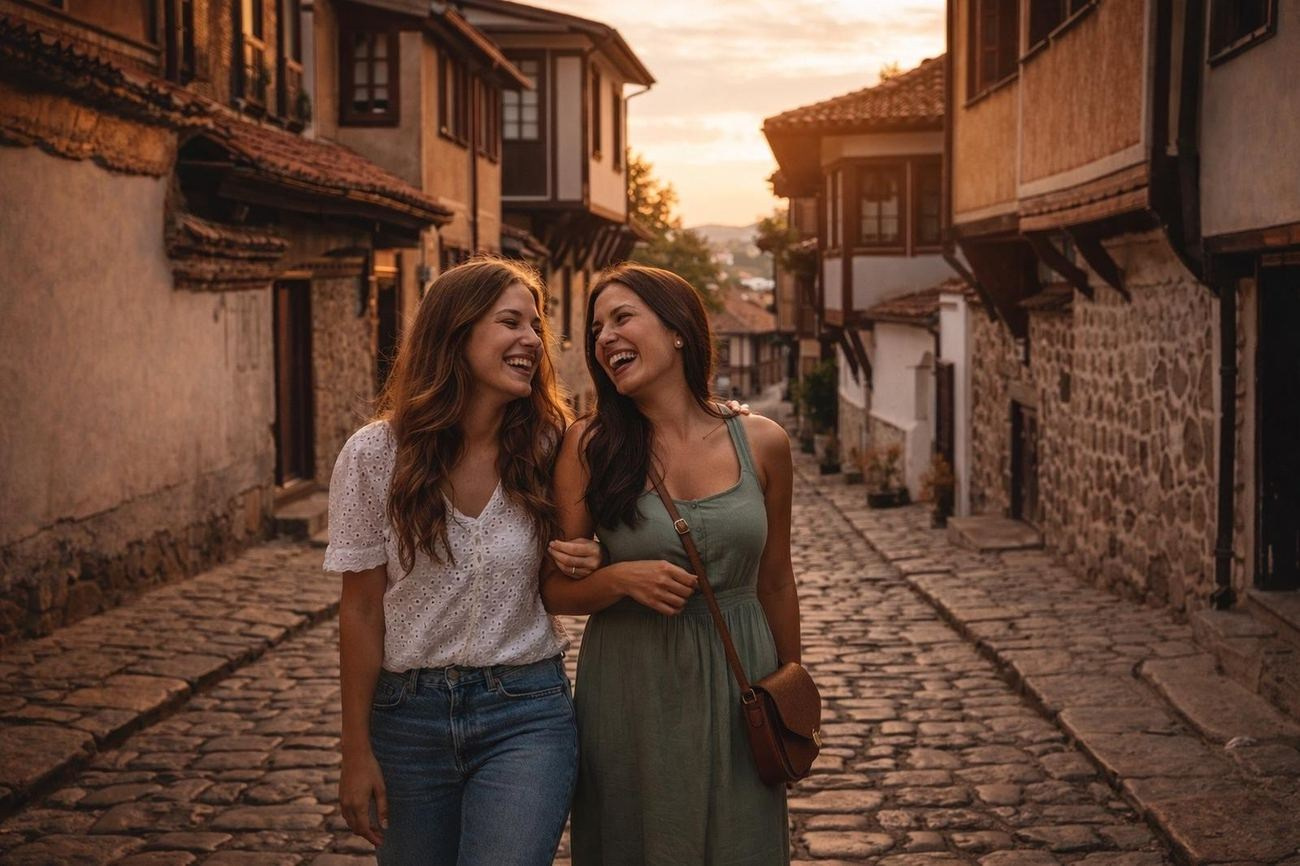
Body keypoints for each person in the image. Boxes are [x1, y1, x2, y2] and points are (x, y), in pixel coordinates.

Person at [325, 258, 602, 866]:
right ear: (455, 332)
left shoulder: (555, 445)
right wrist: (355, 750)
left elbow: (645, 470)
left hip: (525, 713)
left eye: (535, 324)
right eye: (510, 322)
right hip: (405, 723)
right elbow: (362, 609)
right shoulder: (374, 455)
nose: (533, 338)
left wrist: (593, 551)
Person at [542, 263, 801, 865]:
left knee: (741, 841)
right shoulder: (590, 445)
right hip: (633, 683)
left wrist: (790, 695)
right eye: (595, 327)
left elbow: (777, 579)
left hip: (742, 678)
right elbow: (552, 586)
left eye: (623, 317)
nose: (605, 336)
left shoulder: (762, 442)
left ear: (679, 328)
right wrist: (616, 578)